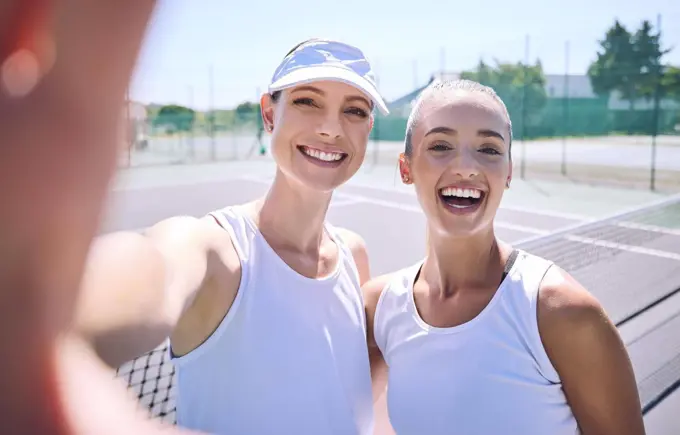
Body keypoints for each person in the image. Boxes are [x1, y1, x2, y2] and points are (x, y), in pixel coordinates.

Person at [74, 36, 391, 435]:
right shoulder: (212, 248)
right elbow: (150, 270)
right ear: (269, 114)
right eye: (307, 101)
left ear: (368, 129)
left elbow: (345, 395)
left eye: (355, 111)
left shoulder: (353, 254)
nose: (331, 127)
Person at [362, 79, 646, 435]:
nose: (466, 166)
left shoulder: (561, 312)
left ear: (508, 172)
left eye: (489, 150)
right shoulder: (379, 308)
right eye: (441, 145)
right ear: (405, 168)